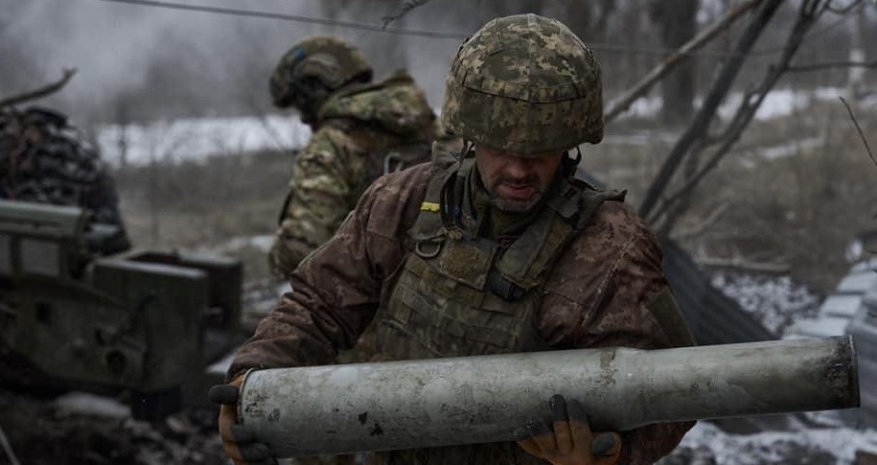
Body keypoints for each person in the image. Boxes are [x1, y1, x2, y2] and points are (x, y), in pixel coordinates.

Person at [214, 14, 695, 465]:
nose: (519, 170)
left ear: (571, 141)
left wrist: (605, 454)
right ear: (469, 133)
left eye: (541, 151)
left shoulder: (611, 247)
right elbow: (319, 302)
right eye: (501, 146)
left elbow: (675, 394)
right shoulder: (402, 200)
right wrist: (255, 380)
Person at [266, 35, 437, 279]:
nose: (305, 119)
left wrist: (276, 260)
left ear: (314, 88)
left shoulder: (333, 142)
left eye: (300, 104)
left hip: (374, 301)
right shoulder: (429, 124)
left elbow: (302, 248)